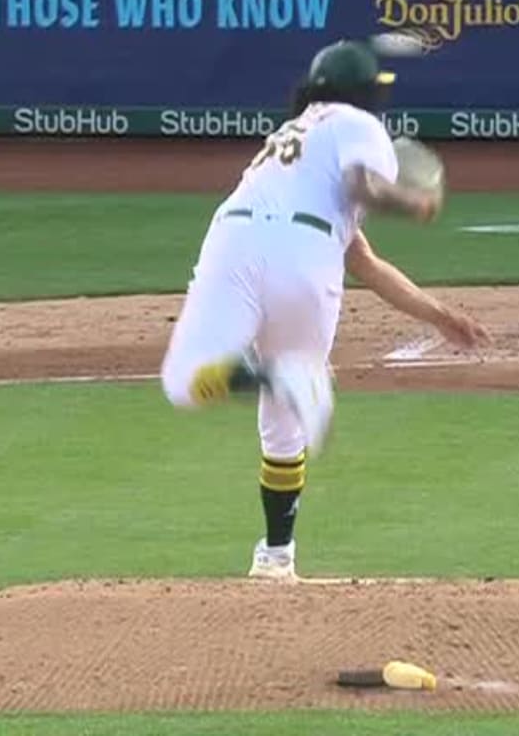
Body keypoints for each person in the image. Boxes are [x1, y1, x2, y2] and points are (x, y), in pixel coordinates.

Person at [158, 38, 486, 582]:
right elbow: (365, 190)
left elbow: (364, 260)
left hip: (231, 239)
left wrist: (436, 313)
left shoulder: (290, 139)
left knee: (184, 381)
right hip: (304, 259)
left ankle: (276, 553)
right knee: (285, 427)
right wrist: (415, 203)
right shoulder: (358, 125)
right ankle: (276, 552)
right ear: (360, 94)